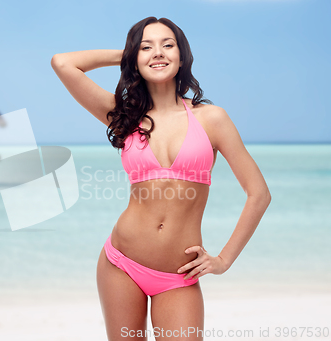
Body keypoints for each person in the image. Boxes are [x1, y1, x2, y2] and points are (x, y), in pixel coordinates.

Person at [51, 16, 271, 341]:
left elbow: (258, 194)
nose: (158, 53)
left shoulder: (211, 119)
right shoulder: (124, 115)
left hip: (178, 275)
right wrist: (127, 55)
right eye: (146, 47)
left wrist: (224, 259)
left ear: (182, 56)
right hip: (121, 264)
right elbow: (63, 63)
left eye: (168, 45)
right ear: (134, 59)